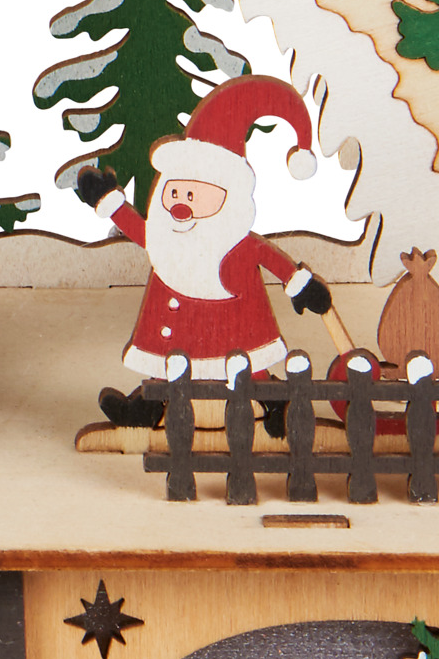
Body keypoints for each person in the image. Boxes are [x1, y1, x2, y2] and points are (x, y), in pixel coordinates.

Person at [78, 75, 334, 430]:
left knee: (249, 365)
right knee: (167, 366)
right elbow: (144, 233)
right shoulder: (166, 237)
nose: (181, 206)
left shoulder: (236, 241)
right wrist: (110, 203)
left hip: (234, 320)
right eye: (175, 193)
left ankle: (277, 408)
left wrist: (301, 285)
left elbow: (270, 258)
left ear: (230, 197)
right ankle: (144, 410)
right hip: (177, 321)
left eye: (192, 195)